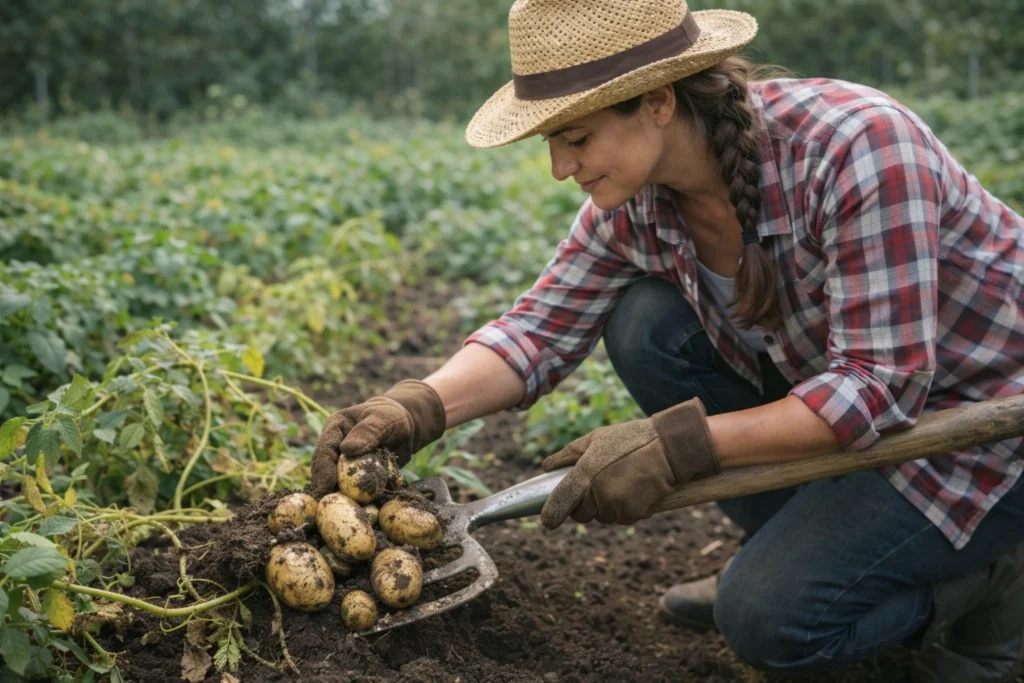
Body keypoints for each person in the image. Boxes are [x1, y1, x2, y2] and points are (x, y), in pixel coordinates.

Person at [310, 0, 1024, 679]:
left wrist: (678, 445)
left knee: (769, 623)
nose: (561, 167)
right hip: (857, 409)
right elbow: (538, 329)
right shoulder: (639, 202)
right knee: (646, 324)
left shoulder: (858, 146)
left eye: (576, 136)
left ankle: (989, 581)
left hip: (978, 429)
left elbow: (879, 387)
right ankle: (797, 549)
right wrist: (416, 407)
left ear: (657, 101)